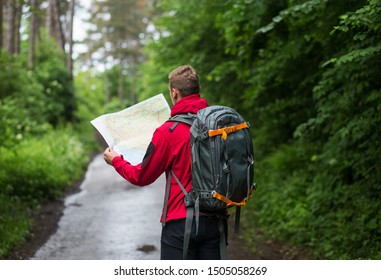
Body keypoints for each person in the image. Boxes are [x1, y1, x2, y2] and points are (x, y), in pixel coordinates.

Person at [103, 65, 227, 260]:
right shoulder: (218, 126)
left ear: (174, 92)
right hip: (214, 221)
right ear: (198, 90)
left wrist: (117, 161)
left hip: (179, 223)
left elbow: (142, 176)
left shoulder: (167, 132)